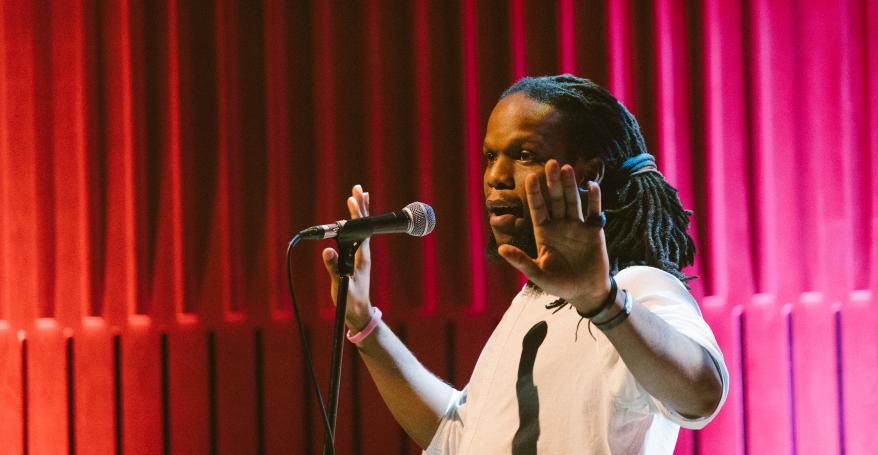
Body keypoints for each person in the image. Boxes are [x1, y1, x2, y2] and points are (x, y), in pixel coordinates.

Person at [321, 75, 728, 454]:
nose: (496, 176)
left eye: (524, 155)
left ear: (588, 175)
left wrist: (603, 303)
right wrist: (364, 324)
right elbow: (458, 436)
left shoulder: (636, 287)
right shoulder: (533, 303)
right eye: (490, 156)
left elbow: (703, 394)